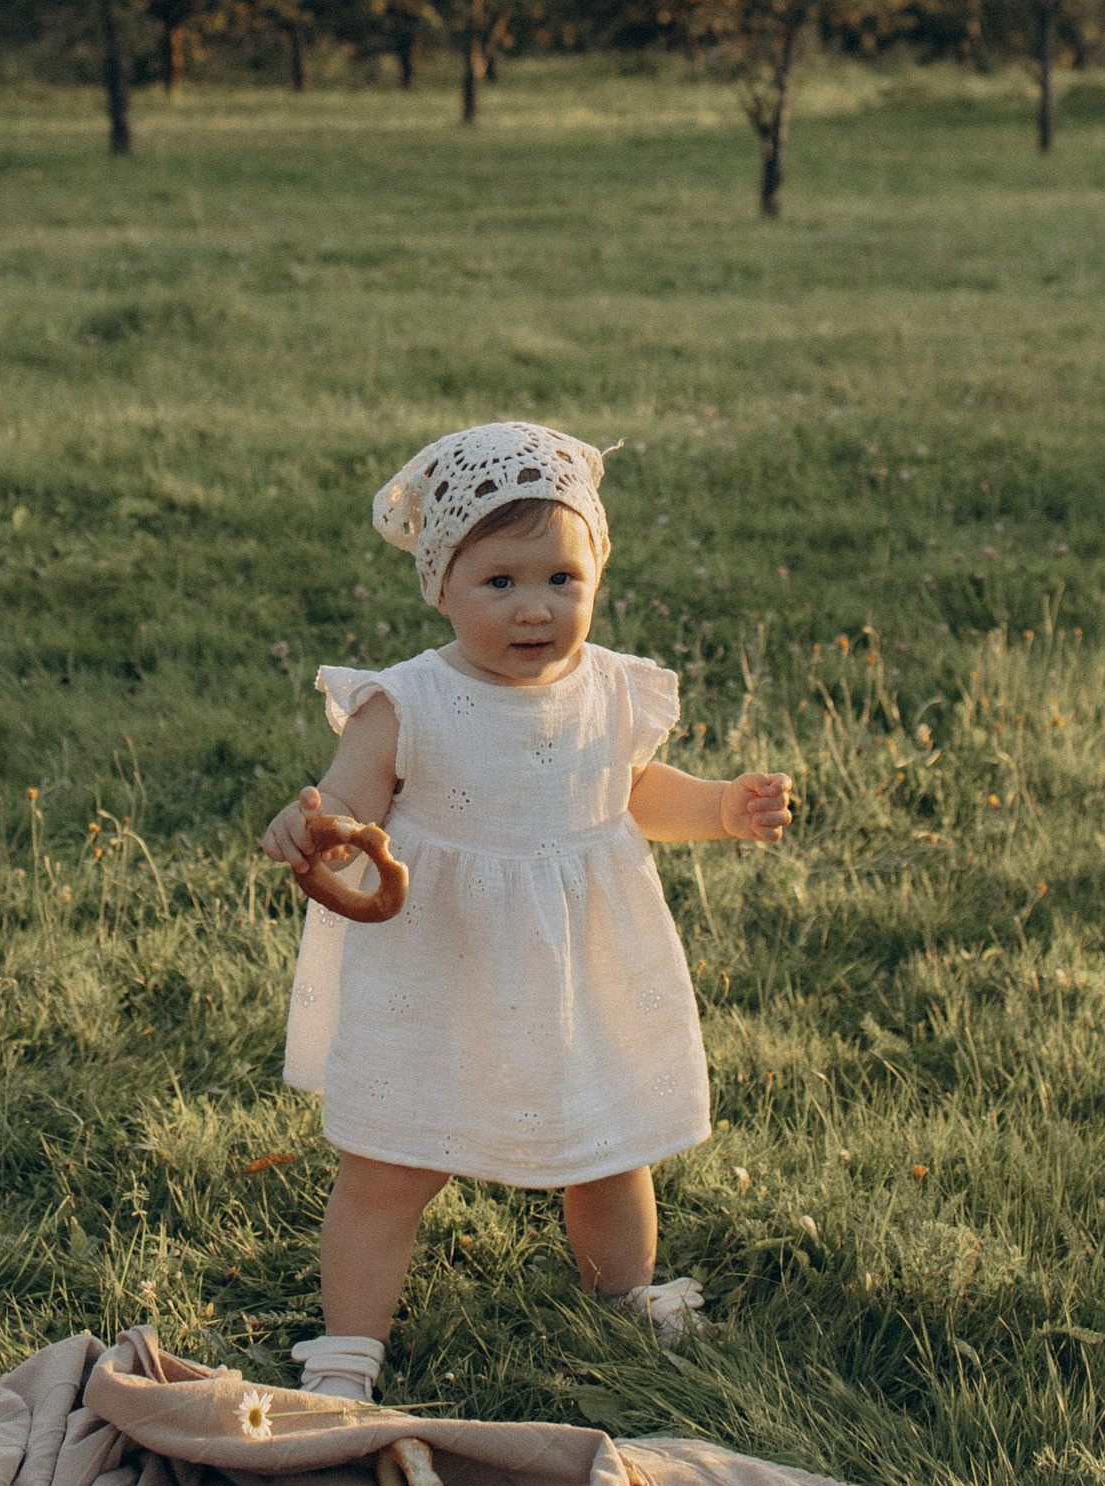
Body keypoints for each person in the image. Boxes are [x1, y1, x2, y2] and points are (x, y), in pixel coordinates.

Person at [261, 420, 793, 1402]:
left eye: (562, 578)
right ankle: (347, 1348)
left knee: (608, 1144)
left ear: (596, 574)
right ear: (440, 584)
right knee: (390, 1163)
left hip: (577, 965)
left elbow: (632, 790)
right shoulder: (407, 703)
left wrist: (720, 807)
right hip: (437, 967)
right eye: (499, 581)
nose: (535, 606)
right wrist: (315, 828)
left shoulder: (611, 691)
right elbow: (347, 805)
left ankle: (620, 1292)